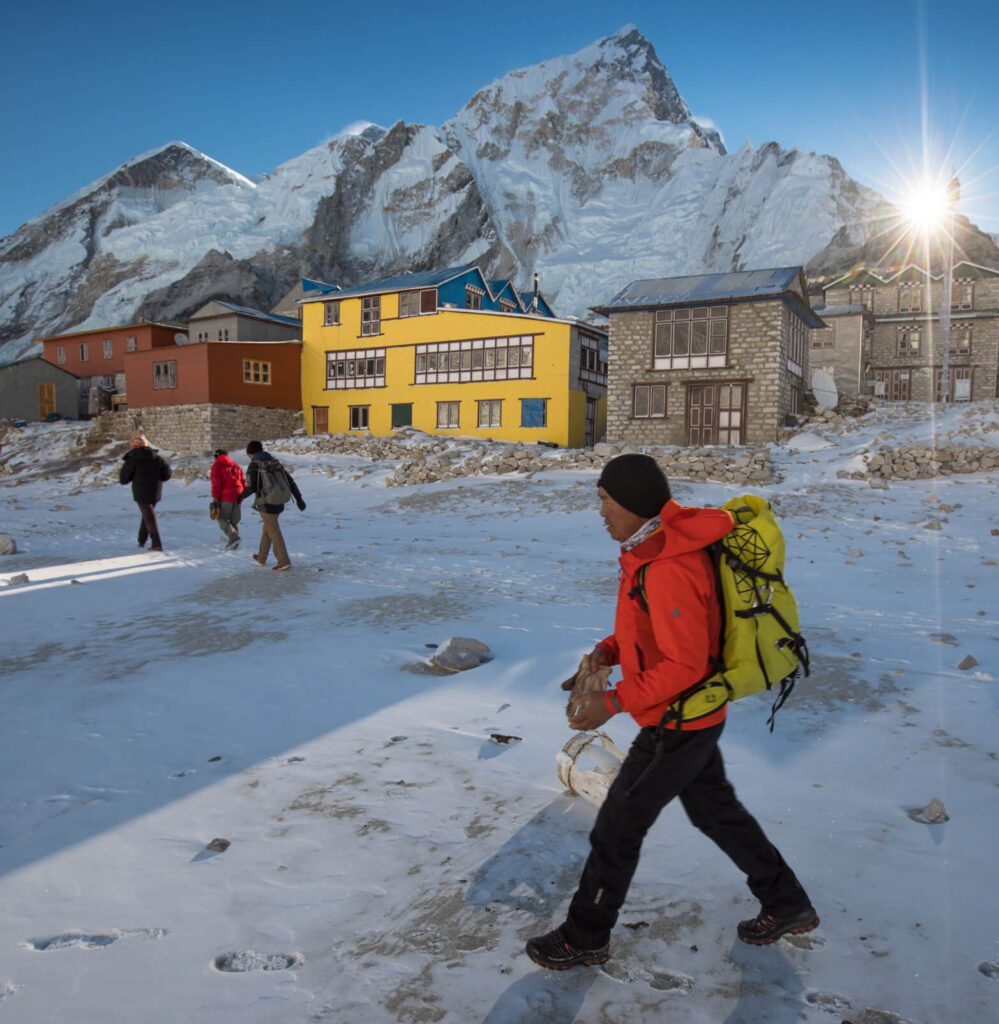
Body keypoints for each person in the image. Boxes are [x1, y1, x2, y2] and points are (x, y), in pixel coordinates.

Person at [526, 453, 817, 970]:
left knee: (617, 827)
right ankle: (786, 901)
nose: (600, 512)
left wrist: (612, 701)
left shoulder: (669, 566)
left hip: (677, 723)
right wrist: (608, 650)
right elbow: (650, 631)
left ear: (635, 505)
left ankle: (584, 936)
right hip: (688, 719)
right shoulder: (650, 548)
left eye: (606, 501)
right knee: (716, 813)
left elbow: (684, 663)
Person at [237, 440, 305, 571]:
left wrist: (237, 498)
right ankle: (261, 557)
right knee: (268, 528)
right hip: (279, 501)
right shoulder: (274, 463)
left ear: (250, 454)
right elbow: (290, 481)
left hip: (266, 503)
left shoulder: (254, 466)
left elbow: (250, 488)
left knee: (273, 530)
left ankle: (283, 561)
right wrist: (299, 499)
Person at [119, 434, 172, 552]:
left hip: (141, 492)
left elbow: (124, 478)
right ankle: (141, 541)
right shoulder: (157, 458)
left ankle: (156, 544)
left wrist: (128, 479)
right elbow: (167, 474)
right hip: (155, 491)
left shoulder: (133, 458)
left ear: (134, 446)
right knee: (147, 515)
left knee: (148, 516)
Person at [210, 449, 246, 550]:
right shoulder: (235, 465)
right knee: (234, 520)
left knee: (221, 518)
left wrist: (215, 498)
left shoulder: (217, 465)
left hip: (226, 496)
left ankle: (233, 538)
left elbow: (216, 484)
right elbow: (243, 481)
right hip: (238, 495)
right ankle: (234, 543)